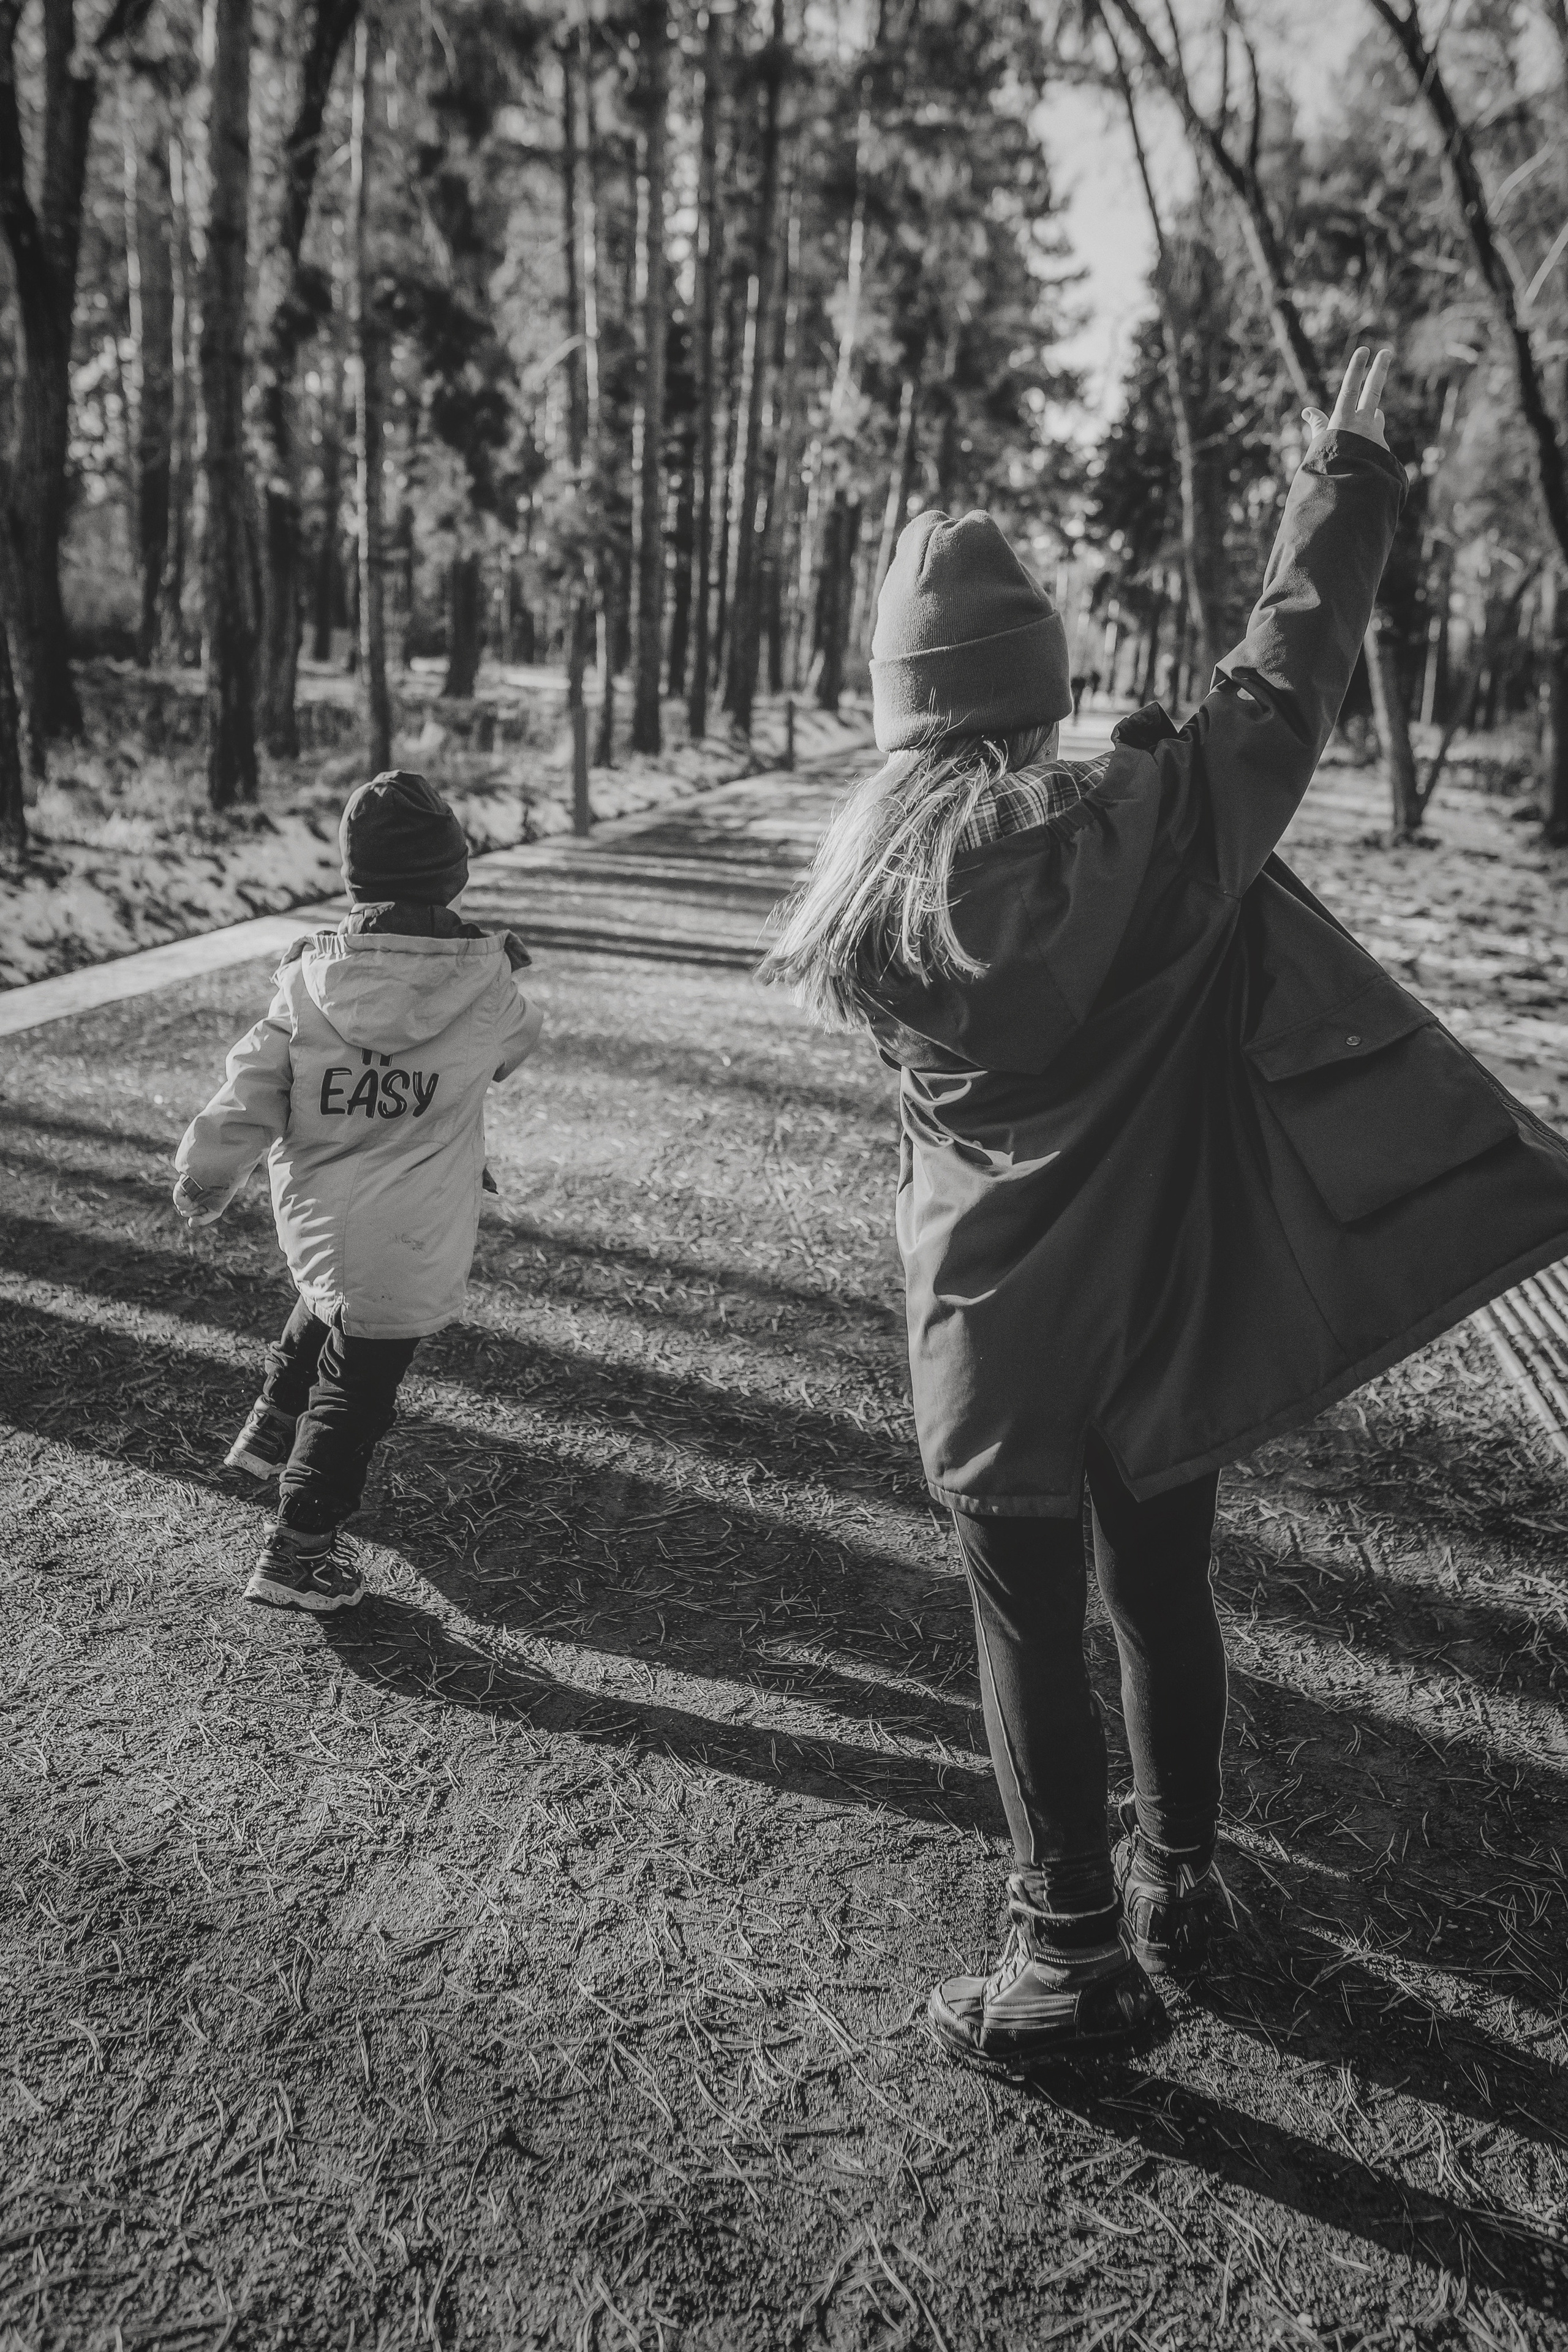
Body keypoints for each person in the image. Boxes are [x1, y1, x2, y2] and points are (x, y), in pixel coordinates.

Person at [760, 349, 1568, 2072]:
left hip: (991, 1342)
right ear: (1043, 688)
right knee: (1166, 1598)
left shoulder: (864, 903)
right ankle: (1181, 1877)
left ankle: (1065, 1959)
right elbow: (1285, 687)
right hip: (1162, 1316)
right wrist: (1351, 462)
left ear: (903, 711)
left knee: (1025, 1630)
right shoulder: (1160, 820)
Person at [173, 771, 543, 1613]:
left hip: (319, 1208)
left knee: (331, 1290)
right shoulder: (487, 985)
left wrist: (206, 1170)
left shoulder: (307, 982)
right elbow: (518, 1040)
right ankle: (297, 1552)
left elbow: (251, 1084)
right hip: (415, 1226)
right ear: (454, 878)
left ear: (355, 882)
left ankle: (270, 1424)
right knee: (359, 1387)